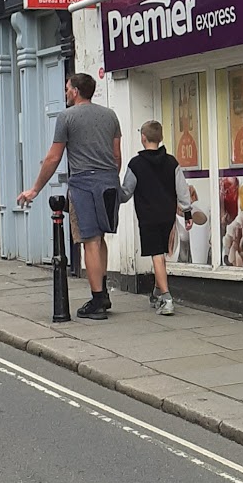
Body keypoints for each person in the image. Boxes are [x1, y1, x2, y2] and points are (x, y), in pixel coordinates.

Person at [17, 72, 121, 320]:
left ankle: (97, 301)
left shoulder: (66, 117)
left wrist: (35, 189)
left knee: (90, 240)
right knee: (101, 237)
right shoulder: (110, 116)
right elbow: (117, 155)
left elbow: (54, 157)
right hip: (108, 181)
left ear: (75, 91)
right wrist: (111, 178)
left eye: (67, 88)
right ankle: (103, 292)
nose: (65, 92)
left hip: (84, 182)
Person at [119, 119, 193, 316]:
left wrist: (112, 194)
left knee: (157, 256)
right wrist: (187, 212)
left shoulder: (136, 164)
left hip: (148, 216)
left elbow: (126, 192)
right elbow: (183, 190)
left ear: (143, 138)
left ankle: (167, 299)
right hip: (167, 215)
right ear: (160, 138)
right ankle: (156, 293)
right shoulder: (172, 162)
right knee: (161, 255)